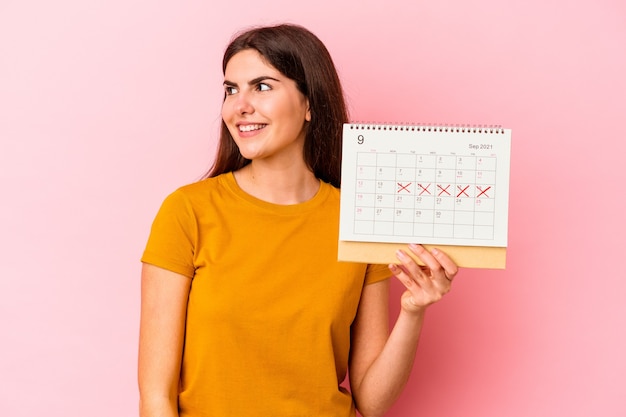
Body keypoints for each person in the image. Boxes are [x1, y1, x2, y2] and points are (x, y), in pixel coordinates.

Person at [138, 23, 458, 417]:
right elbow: (156, 396)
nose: (239, 106)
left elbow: (372, 402)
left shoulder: (360, 219)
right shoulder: (188, 211)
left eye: (263, 86)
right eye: (230, 90)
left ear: (310, 104)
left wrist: (413, 310)